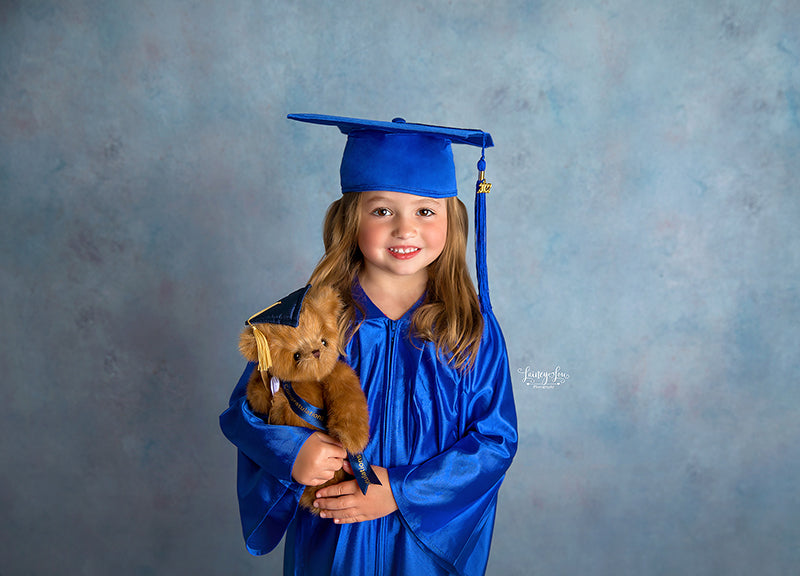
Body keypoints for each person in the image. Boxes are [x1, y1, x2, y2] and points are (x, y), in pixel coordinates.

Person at [220, 114, 517, 575]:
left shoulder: (469, 328)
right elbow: (247, 412)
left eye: (425, 210)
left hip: (421, 548)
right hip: (333, 538)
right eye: (382, 211)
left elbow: (495, 441)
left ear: (452, 219)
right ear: (350, 219)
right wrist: (292, 454)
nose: (405, 229)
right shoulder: (309, 319)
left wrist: (400, 492)